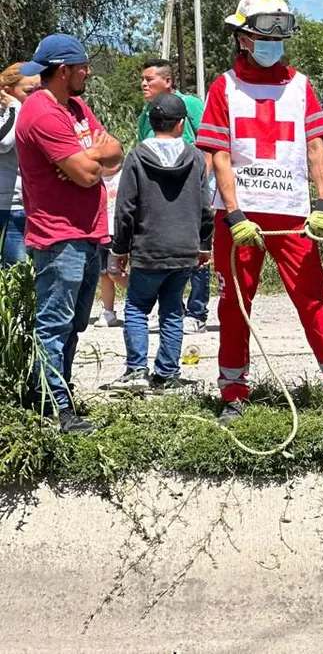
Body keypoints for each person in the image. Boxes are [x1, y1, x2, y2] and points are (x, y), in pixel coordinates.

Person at [196, 0, 323, 425]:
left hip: (293, 215)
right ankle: (233, 394)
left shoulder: (300, 87)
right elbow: (219, 154)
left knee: (313, 300)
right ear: (243, 37)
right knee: (234, 305)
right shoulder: (225, 87)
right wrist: (234, 212)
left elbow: (316, 146)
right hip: (239, 218)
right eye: (264, 34)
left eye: (280, 35)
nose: (273, 44)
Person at [15, 35, 123, 434]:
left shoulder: (75, 107)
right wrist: (91, 159)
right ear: (64, 71)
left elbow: (116, 151)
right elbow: (89, 173)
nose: (88, 72)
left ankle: (58, 395)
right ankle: (52, 406)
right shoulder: (41, 113)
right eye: (82, 67)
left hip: (89, 232)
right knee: (55, 323)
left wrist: (90, 156)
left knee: (75, 323)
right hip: (59, 237)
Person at [104, 94, 213, 392]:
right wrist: (204, 245)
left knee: (138, 308)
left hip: (148, 249)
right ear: (181, 125)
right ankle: (167, 374)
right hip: (184, 250)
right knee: (172, 311)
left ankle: (137, 370)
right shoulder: (195, 157)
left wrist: (120, 249)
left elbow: (125, 208)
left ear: (151, 124)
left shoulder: (137, 156)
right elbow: (206, 207)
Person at [137, 58, 211, 334]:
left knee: (196, 248)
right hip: (160, 194)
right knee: (166, 248)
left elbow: (209, 144)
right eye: (142, 79)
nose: (144, 84)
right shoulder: (146, 114)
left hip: (192, 187)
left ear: (167, 82)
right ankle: (172, 310)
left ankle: (197, 311)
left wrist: (202, 185)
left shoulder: (190, 105)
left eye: (149, 79)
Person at [0, 63, 39, 265]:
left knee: (24, 276)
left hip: (29, 206)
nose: (35, 96)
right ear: (7, 92)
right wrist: (14, 107)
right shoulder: (10, 113)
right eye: (29, 91)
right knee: (14, 272)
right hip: (6, 207)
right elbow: (3, 142)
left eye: (39, 90)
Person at [96, 164, 129, 327]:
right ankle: (108, 312)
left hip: (118, 232)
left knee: (114, 272)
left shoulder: (124, 177)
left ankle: (144, 296)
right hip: (99, 231)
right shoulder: (94, 176)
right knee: (103, 274)